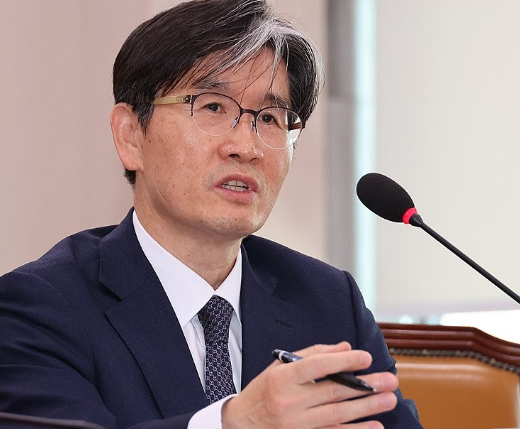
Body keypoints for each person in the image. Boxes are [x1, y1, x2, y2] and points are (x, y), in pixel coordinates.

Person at [0, 1, 423, 428]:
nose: (247, 147)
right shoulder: (41, 307)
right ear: (130, 136)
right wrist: (237, 422)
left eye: (270, 118)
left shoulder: (328, 301)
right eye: (213, 107)